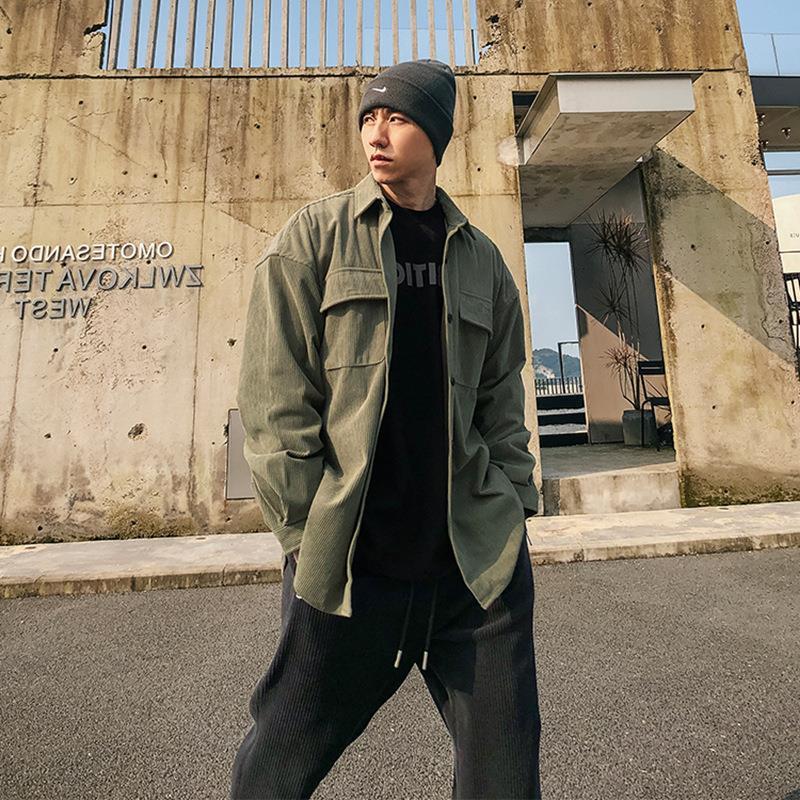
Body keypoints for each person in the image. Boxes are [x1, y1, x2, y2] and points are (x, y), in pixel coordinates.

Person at [230, 58, 542, 799]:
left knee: (505, 778)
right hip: (352, 565)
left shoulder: (483, 262)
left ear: (436, 135)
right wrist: (306, 533)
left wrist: (513, 501)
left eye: (398, 118)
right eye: (369, 118)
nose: (377, 133)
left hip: (473, 569)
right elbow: (275, 402)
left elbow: (501, 398)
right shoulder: (313, 239)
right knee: (275, 769)